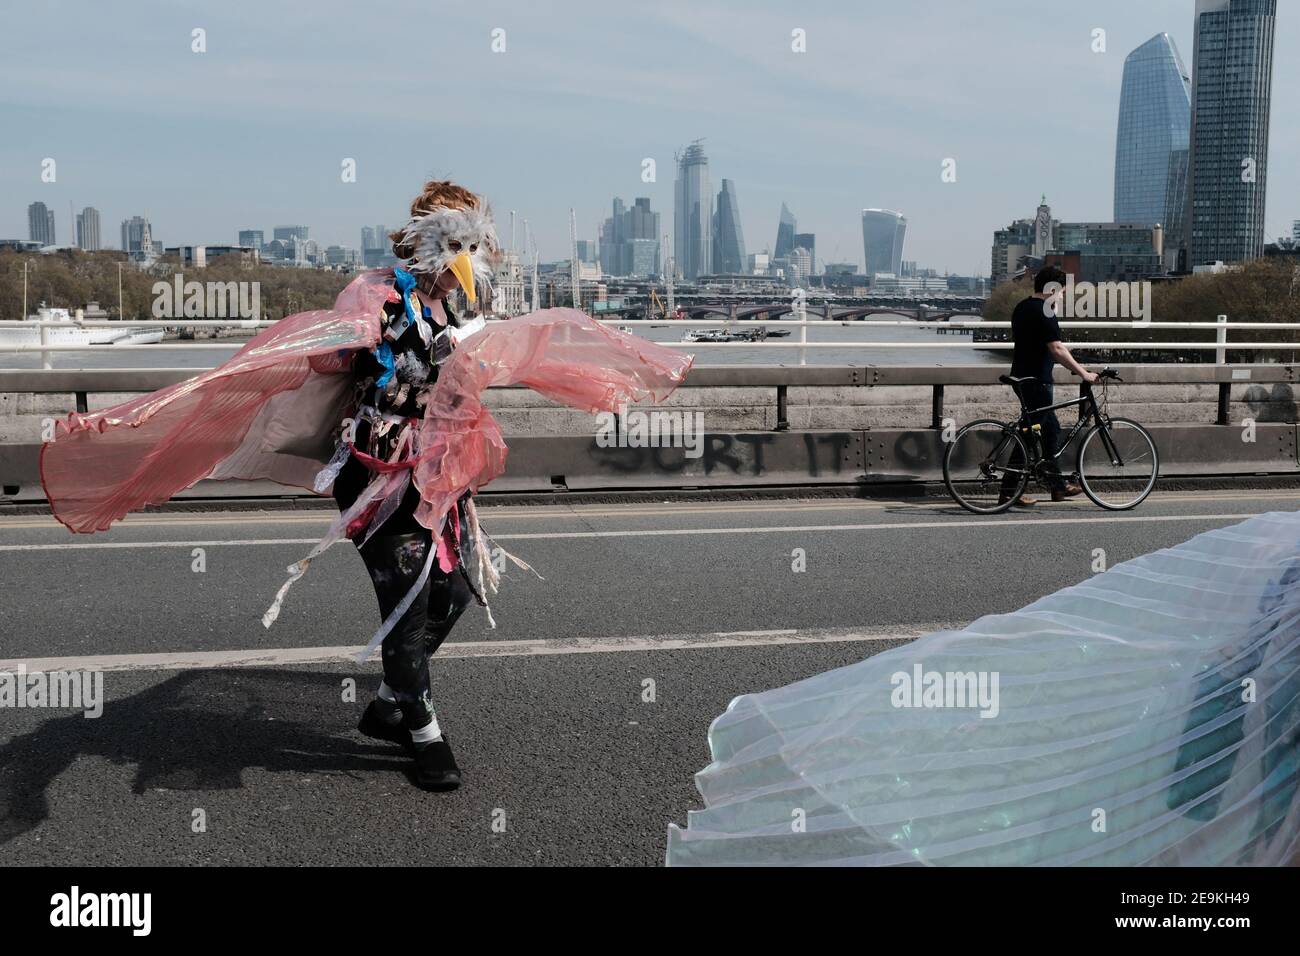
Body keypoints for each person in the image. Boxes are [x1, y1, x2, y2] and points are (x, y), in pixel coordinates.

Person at [39, 178, 693, 794]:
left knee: (457, 592)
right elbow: (327, 353)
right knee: (407, 607)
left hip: (442, 472)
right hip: (376, 478)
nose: (466, 257)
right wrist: (376, 339)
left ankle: (387, 702)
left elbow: (496, 359)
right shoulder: (375, 295)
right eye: (453, 241)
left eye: (474, 244)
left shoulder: (469, 304)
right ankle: (425, 731)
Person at [1000, 265, 1098, 506]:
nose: (1062, 297)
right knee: (1027, 435)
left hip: (1021, 376)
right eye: (1062, 292)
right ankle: (1008, 490)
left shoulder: (1023, 307)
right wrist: (1083, 373)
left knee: (1050, 430)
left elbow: (1043, 343)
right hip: (1037, 381)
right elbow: (1054, 349)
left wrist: (1068, 352)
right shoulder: (1045, 311)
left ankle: (1058, 486)